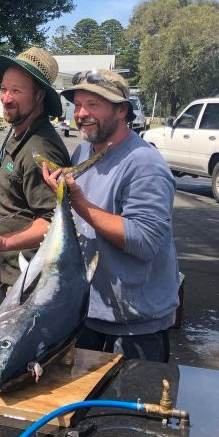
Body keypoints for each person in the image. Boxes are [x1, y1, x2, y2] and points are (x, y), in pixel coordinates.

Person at [42, 69, 180, 363]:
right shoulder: (83, 153)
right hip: (88, 316)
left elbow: (144, 241)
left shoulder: (145, 164)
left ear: (121, 110)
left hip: (135, 329)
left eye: (93, 105)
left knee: (127, 395)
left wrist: (80, 204)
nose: (81, 114)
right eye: (78, 105)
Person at [0, 46, 70, 284]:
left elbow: (53, 220)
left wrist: (3, 243)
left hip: (26, 282)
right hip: (7, 274)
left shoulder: (41, 149)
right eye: (3, 89)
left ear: (39, 96)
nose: (6, 98)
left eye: (16, 91)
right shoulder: (19, 132)